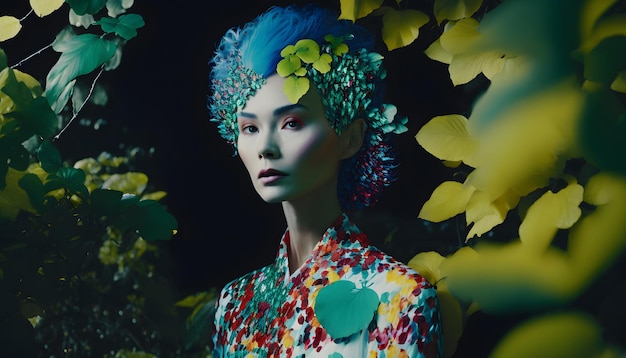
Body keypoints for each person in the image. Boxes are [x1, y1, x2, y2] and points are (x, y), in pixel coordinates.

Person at [208, 4, 442, 357]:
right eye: (250, 128)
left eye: (291, 123)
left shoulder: (400, 298)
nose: (265, 148)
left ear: (350, 138)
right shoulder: (235, 305)